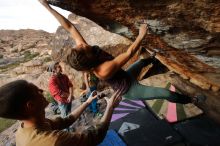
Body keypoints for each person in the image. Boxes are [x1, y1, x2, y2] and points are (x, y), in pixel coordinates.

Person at [39, 0, 206, 104]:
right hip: (128, 90)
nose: (81, 43)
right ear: (88, 58)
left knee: (143, 62)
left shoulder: (86, 51)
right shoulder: (102, 70)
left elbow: (69, 26)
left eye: (79, 45)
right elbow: (129, 52)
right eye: (81, 47)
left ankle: (160, 63)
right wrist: (141, 35)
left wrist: (47, 7)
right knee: (164, 93)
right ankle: (190, 99)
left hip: (125, 75)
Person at [0, 80, 122, 146]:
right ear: (30, 106)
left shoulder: (29, 126)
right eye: (37, 91)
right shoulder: (53, 140)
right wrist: (110, 107)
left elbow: (66, 121)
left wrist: (87, 102)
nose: (42, 91)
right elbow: (95, 136)